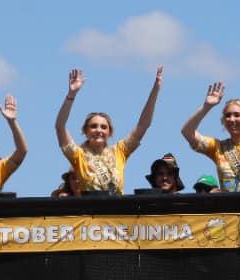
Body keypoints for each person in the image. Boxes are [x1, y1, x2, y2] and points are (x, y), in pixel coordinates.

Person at [55, 66, 162, 194]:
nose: (98, 130)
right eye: (93, 126)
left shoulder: (120, 151)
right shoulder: (79, 155)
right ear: (85, 131)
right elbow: (60, 126)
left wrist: (155, 90)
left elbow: (143, 125)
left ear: (109, 132)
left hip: (116, 212)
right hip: (91, 212)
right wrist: (71, 94)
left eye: (103, 127)